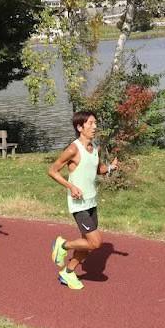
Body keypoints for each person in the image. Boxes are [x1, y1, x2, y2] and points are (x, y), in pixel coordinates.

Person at [47, 110, 119, 290]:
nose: (95, 127)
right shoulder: (73, 149)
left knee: (87, 246)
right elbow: (52, 171)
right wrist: (70, 186)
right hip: (78, 204)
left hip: (91, 201)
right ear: (80, 127)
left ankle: (68, 272)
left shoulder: (95, 147)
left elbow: (97, 169)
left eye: (95, 123)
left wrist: (110, 168)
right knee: (95, 242)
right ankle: (62, 245)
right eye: (91, 123)